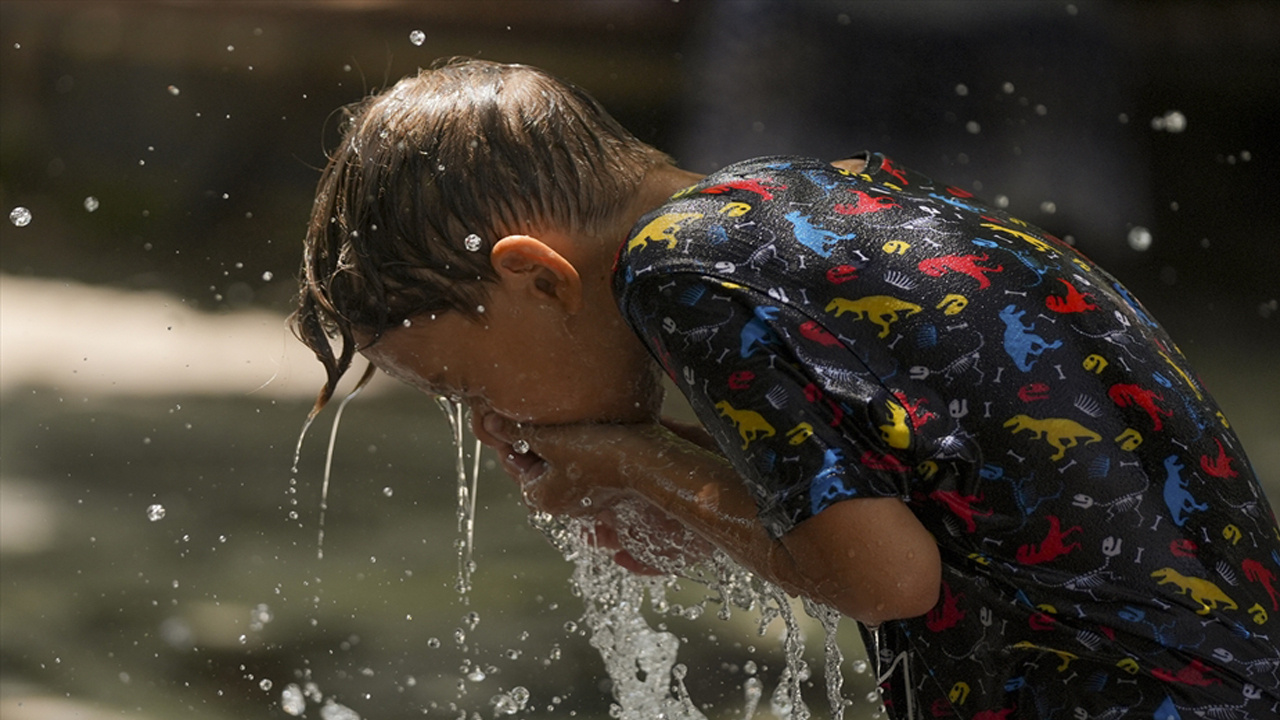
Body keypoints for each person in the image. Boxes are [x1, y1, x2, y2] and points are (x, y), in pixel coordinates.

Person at [292, 59, 1280, 719]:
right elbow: (913, 500)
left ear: (537, 276)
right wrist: (658, 479)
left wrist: (627, 456)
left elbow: (883, 577)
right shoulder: (786, 214)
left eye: (463, 385)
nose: (483, 425)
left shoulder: (679, 273)